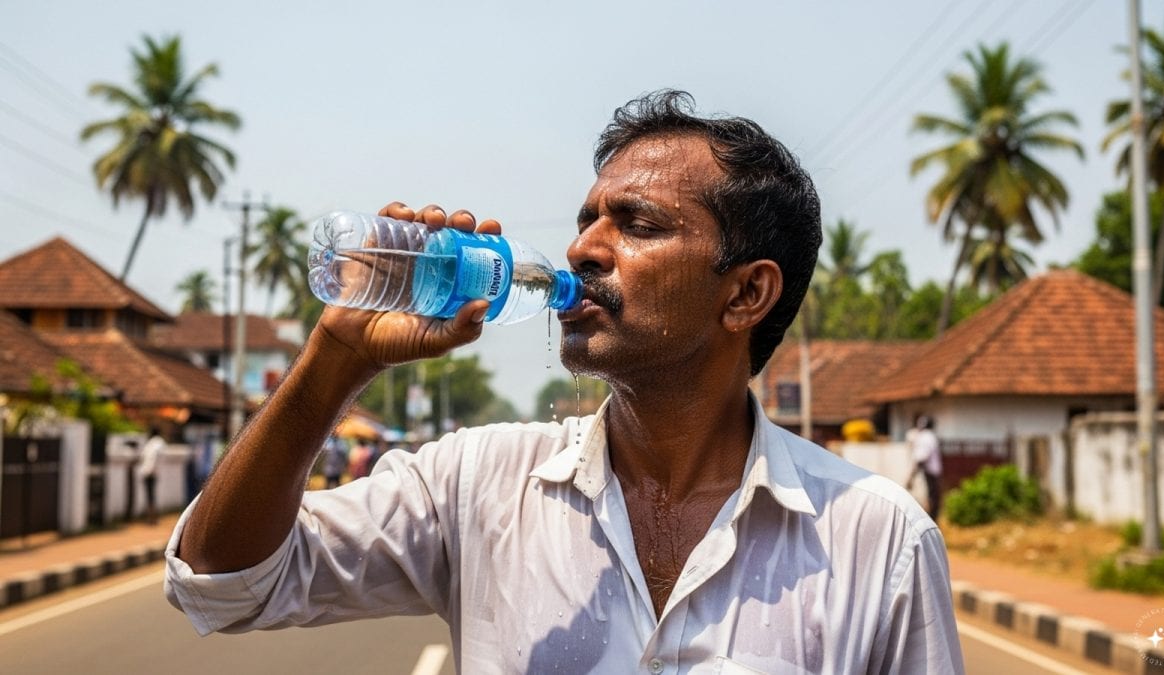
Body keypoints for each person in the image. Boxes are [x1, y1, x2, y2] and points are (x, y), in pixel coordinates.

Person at [164, 90, 963, 673]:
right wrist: (336, 362)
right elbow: (220, 584)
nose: (584, 247)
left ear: (746, 293)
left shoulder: (877, 539)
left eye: (638, 224)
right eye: (588, 220)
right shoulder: (475, 484)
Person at [906, 415, 944, 522]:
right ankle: (932, 522)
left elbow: (920, 458)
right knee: (933, 499)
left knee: (932, 499)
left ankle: (932, 521)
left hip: (929, 472)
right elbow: (921, 457)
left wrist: (911, 477)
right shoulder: (929, 436)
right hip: (932, 472)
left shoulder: (924, 437)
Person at [138, 430, 167, 525]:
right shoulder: (158, 443)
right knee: (151, 495)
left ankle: (152, 518)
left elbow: (152, 458)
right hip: (152, 471)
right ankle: (152, 517)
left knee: (150, 495)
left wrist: (149, 470)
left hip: (149, 472)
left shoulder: (155, 443)